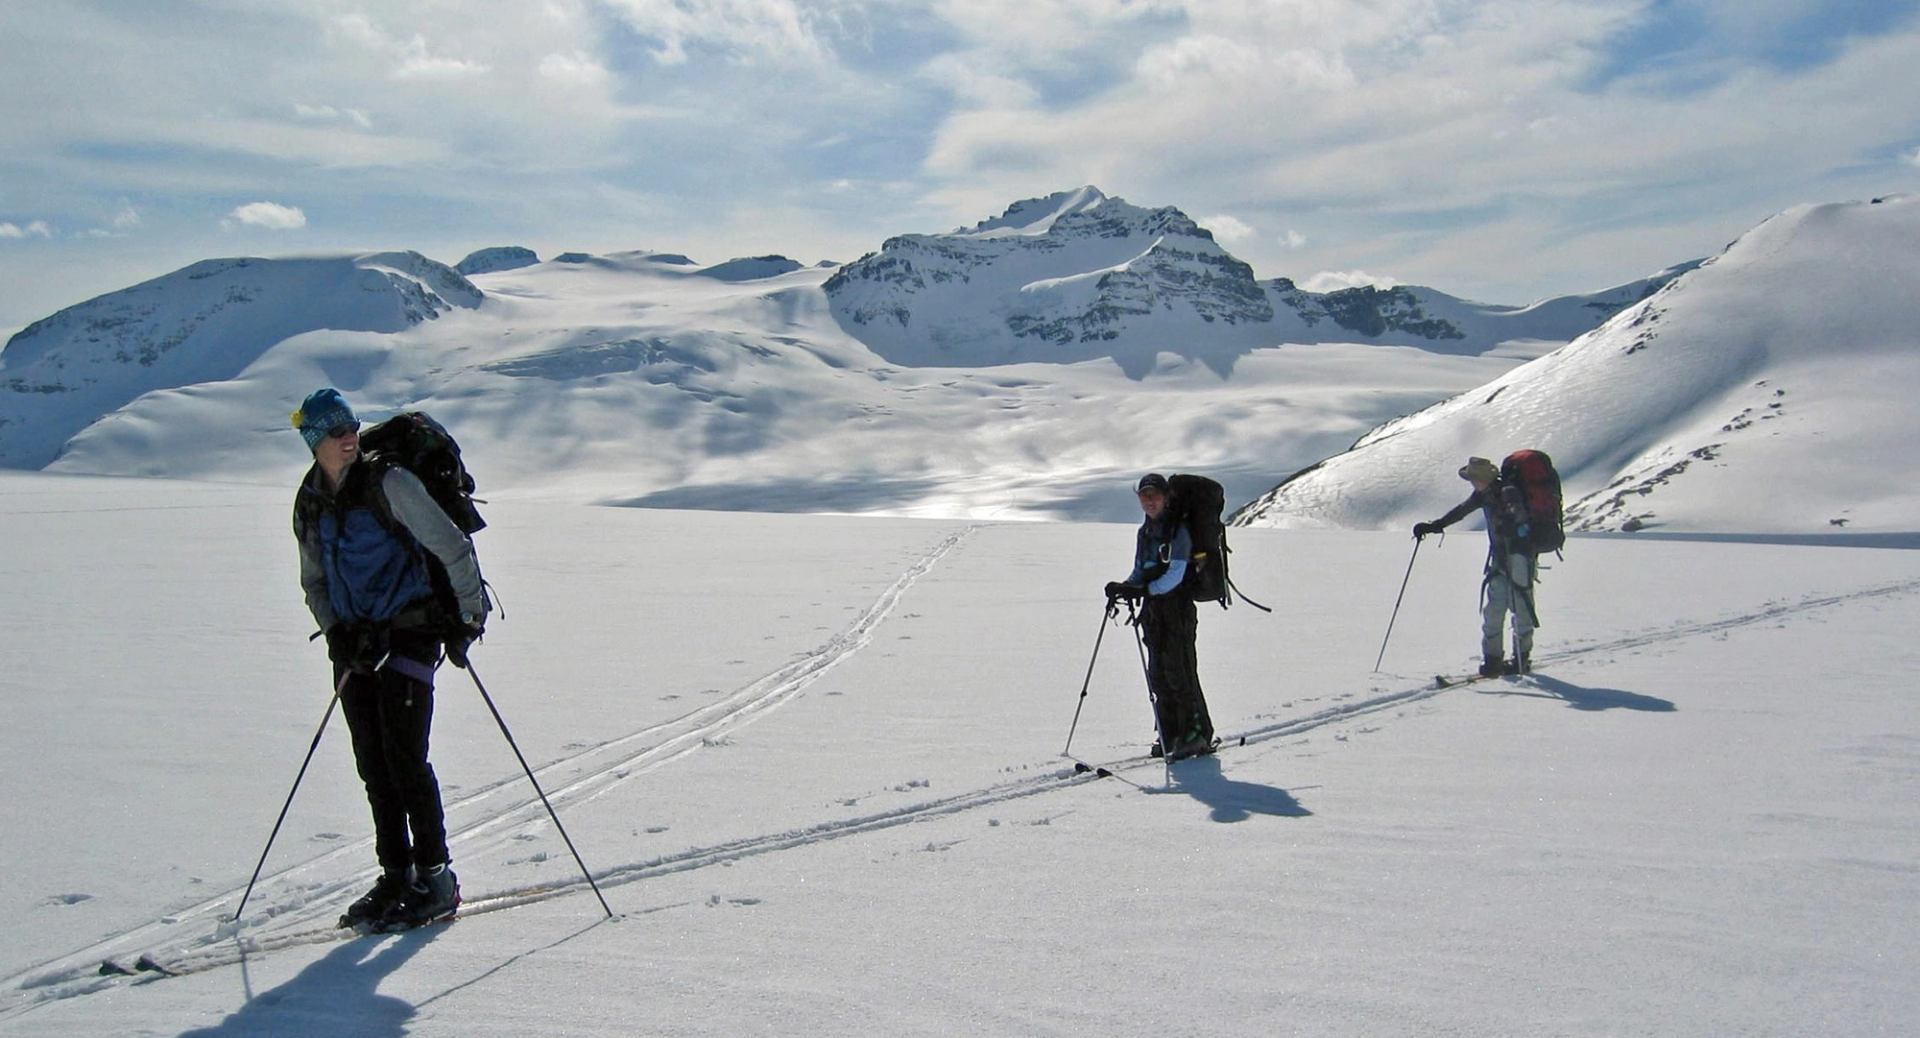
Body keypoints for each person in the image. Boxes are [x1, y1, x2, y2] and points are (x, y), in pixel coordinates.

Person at [290, 388, 487, 930]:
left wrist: (469, 615)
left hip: (408, 633)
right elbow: (314, 579)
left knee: (405, 759)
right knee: (373, 764)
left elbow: (451, 545)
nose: (347, 436)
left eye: (351, 425)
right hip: (355, 644)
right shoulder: (309, 499)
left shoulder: (389, 483)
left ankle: (437, 878)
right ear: (313, 440)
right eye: (334, 431)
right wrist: (334, 631)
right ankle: (396, 876)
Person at [1104, 473, 1217, 760]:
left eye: (1154, 495)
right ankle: (1169, 733)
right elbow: (1141, 569)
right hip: (1154, 613)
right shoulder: (1145, 532)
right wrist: (1126, 587)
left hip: (1177, 610)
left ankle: (1195, 733)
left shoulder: (1178, 530)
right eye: (1144, 496)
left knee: (1179, 670)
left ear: (1166, 496)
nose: (1149, 501)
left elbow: (1176, 574)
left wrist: (1146, 590)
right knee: (1158, 673)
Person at [1413, 456, 1538, 677]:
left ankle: (1521, 659)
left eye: (1474, 479)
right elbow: (1461, 510)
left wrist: (1514, 525)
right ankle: (1493, 660)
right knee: (1494, 609)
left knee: (1521, 606)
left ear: (1482, 478)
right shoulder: (1483, 494)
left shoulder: (1508, 491)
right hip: (1500, 557)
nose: (1472, 483)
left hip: (1519, 556)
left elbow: (1521, 519)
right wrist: (1436, 525)